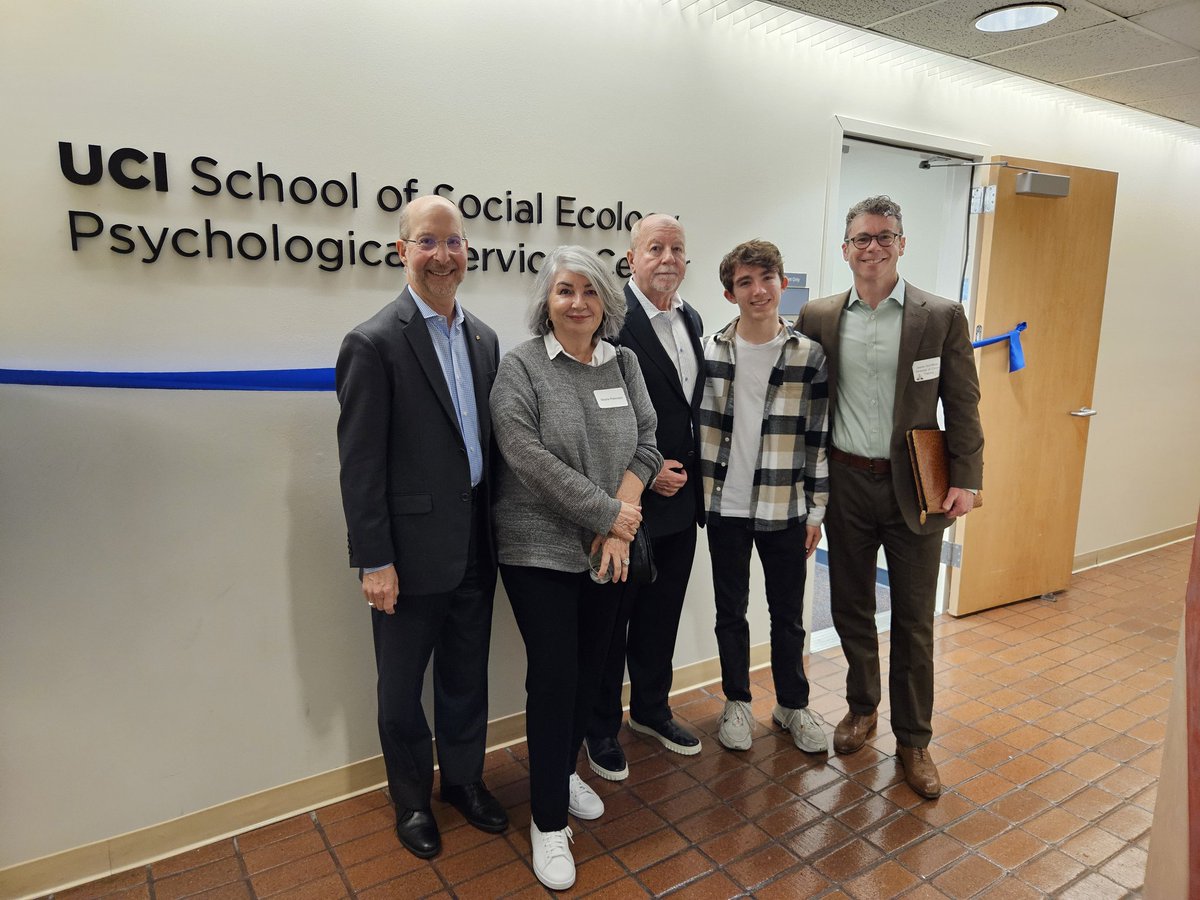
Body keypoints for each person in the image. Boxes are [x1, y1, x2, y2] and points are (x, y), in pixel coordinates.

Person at [335, 195, 507, 860]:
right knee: (401, 689)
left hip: (475, 548)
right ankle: (411, 801)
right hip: (405, 559)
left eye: (454, 242)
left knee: (467, 676)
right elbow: (360, 468)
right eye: (428, 242)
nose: (443, 255)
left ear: (468, 252)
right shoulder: (373, 343)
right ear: (401, 250)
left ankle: (463, 781)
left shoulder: (486, 339)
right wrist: (373, 559)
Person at [798, 195, 984, 799]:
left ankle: (914, 739)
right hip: (847, 481)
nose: (872, 247)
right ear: (845, 248)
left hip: (916, 486)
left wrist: (967, 476)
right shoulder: (820, 317)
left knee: (913, 618)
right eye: (861, 238)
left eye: (884, 236)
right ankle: (861, 707)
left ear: (901, 243)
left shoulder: (940, 315)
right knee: (850, 605)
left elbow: (962, 402)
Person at [491, 246, 662, 891]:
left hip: (609, 547)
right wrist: (609, 517)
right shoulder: (522, 366)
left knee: (592, 673)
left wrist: (620, 522)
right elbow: (525, 457)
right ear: (547, 299)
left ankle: (560, 770)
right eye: (566, 291)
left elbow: (647, 440)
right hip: (539, 548)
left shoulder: (626, 362)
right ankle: (546, 823)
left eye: (590, 292)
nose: (579, 303)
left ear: (606, 303)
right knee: (556, 677)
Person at [698, 239, 830, 755]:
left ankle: (792, 705)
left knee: (788, 614)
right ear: (730, 293)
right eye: (745, 282)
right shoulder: (711, 351)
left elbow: (817, 439)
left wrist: (816, 510)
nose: (758, 291)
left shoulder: (808, 355)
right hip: (725, 507)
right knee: (730, 610)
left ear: (782, 283)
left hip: (785, 507)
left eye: (766, 278)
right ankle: (736, 700)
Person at [585, 214, 706, 780]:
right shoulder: (609, 320)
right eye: (654, 248)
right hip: (627, 501)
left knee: (662, 616)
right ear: (631, 257)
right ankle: (600, 728)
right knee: (612, 622)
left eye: (677, 249)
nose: (667, 258)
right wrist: (645, 470)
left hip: (682, 504)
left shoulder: (694, 318)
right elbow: (597, 409)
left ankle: (652, 709)